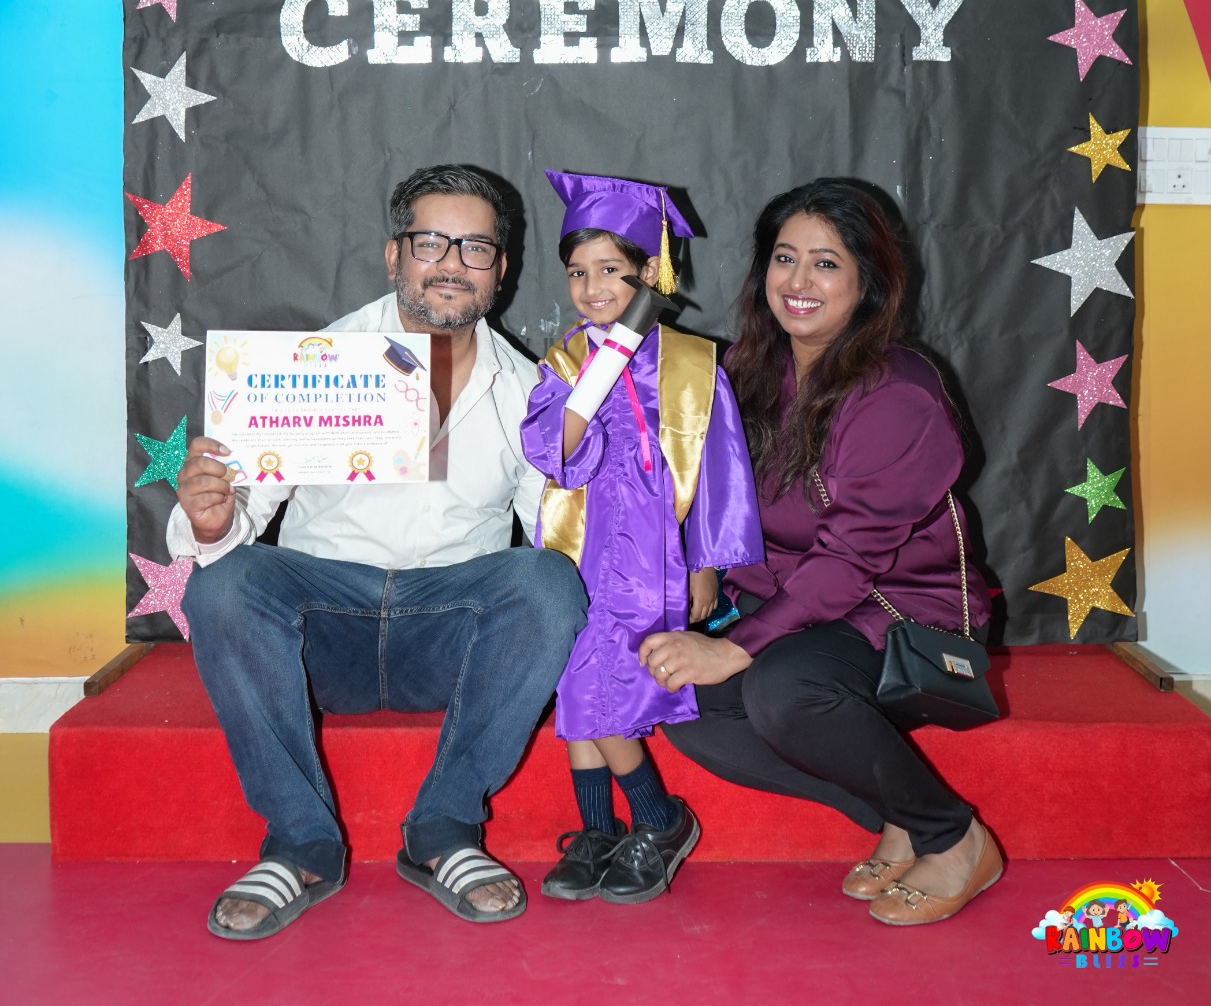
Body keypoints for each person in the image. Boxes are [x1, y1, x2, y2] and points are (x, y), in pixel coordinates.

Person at [172, 164, 587, 937]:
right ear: (394, 254)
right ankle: (299, 842)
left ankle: (444, 830)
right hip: (321, 637)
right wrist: (211, 518)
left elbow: (557, 536)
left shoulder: (531, 393)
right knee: (225, 580)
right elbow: (236, 517)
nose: (452, 264)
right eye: (430, 242)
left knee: (547, 581)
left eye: (475, 247)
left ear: (501, 268)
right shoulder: (310, 362)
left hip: (449, 640)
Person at [641, 179, 1001, 927]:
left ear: (869, 283)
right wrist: (699, 577)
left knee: (785, 690)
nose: (798, 281)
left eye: (826, 263)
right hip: (786, 603)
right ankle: (896, 814)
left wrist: (734, 648)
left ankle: (953, 837)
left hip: (899, 609)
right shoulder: (748, 369)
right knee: (682, 703)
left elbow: (849, 560)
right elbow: (705, 493)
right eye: (784, 258)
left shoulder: (897, 394)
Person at [520, 171, 764, 903]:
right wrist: (606, 361)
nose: (592, 287)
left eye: (611, 270)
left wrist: (707, 565)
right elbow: (554, 452)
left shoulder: (693, 364)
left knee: (607, 688)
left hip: (654, 559)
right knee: (578, 686)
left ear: (652, 270)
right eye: (577, 272)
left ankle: (652, 822)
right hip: (580, 552)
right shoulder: (564, 363)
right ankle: (611, 830)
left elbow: (720, 469)